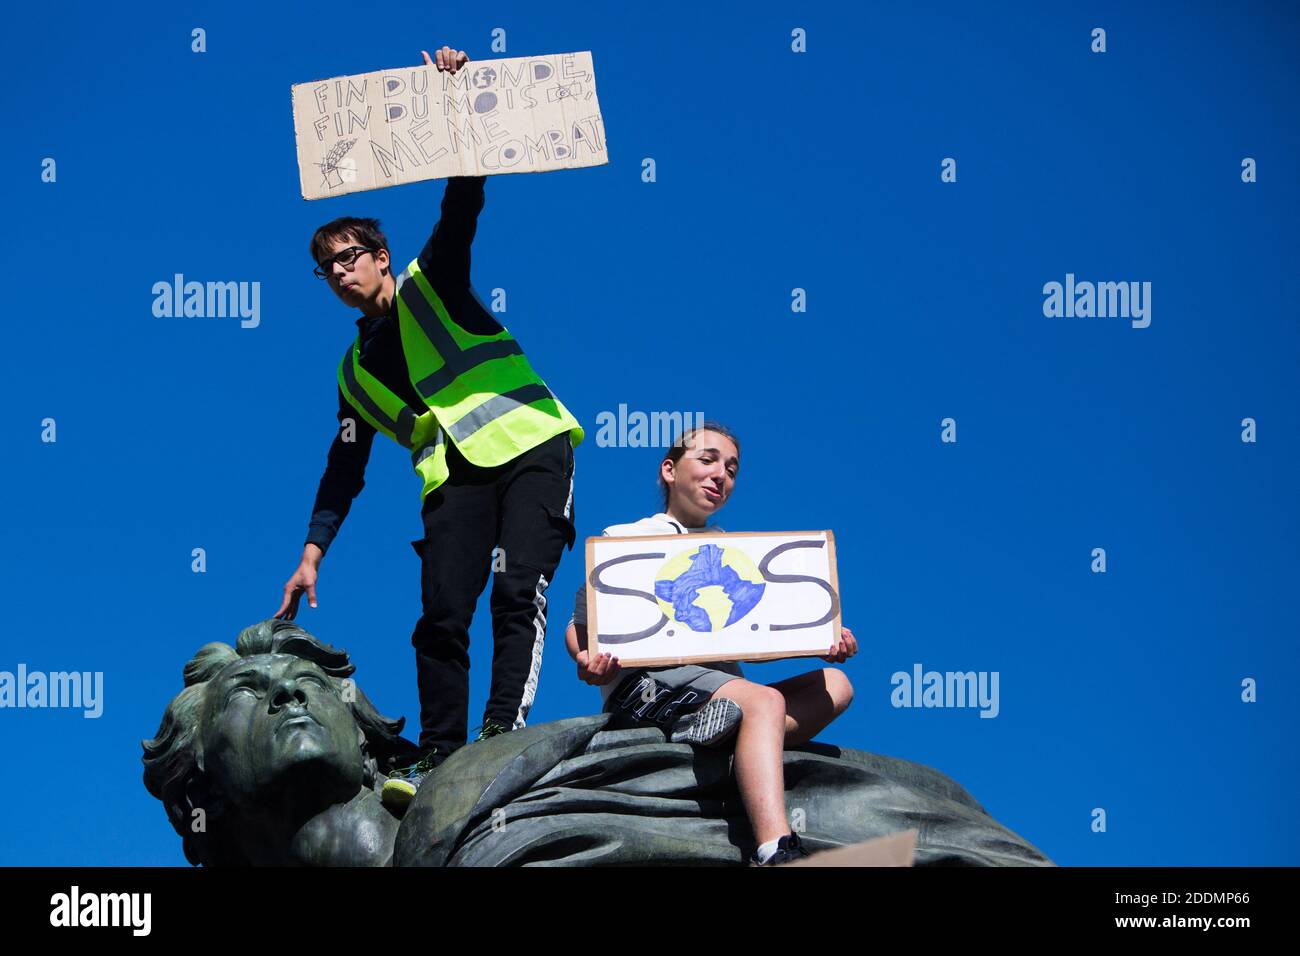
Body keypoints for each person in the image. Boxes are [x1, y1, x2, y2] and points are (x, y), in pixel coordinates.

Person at [274, 46, 583, 810]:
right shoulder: (352, 375)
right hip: (455, 481)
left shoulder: (431, 279)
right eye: (327, 268)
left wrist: (454, 98)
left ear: (380, 256)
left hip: (527, 446)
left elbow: (463, 200)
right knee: (442, 613)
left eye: (348, 257)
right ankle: (441, 753)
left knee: (518, 591)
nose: (340, 273)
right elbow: (344, 468)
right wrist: (312, 554)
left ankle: (500, 730)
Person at [564, 422, 857, 865]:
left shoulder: (735, 551)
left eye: (732, 469)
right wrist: (587, 660)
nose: (722, 474)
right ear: (669, 469)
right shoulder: (629, 538)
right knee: (763, 704)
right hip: (647, 684)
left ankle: (723, 733)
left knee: (837, 684)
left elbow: (770, 623)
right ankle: (776, 849)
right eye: (708, 460)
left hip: (718, 689)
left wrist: (822, 637)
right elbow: (579, 624)